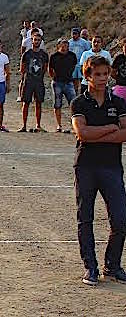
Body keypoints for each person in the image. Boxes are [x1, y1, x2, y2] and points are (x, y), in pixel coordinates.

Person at [70, 55, 126, 286]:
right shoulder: (79, 103)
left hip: (112, 167)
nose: (102, 79)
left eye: (105, 74)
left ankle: (112, 266)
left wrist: (98, 132)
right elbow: (82, 134)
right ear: (88, 76)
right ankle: (90, 268)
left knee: (121, 220)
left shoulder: (119, 103)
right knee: (86, 218)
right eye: (97, 75)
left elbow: (125, 134)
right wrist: (111, 128)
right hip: (86, 166)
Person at [18, 32, 50, 132]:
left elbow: (45, 68)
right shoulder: (27, 54)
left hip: (39, 81)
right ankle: (24, 125)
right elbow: (22, 68)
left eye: (38, 40)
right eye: (35, 40)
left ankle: (38, 125)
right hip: (28, 81)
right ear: (32, 41)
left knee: (39, 103)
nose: (36, 42)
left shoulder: (44, 54)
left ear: (41, 42)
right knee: (25, 103)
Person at [50, 39, 78, 133]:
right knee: (57, 104)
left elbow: (74, 66)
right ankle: (59, 125)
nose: (65, 46)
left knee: (73, 103)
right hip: (57, 82)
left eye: (66, 44)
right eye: (63, 44)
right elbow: (50, 68)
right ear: (58, 45)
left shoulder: (72, 55)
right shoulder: (54, 56)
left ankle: (74, 125)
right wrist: (53, 77)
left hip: (69, 82)